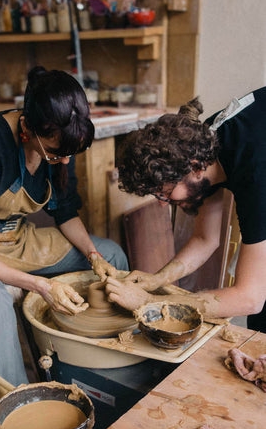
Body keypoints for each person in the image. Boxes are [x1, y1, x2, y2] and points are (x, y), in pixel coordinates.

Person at [0, 66, 129, 386]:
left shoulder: (61, 138)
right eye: (56, 154)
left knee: (111, 254)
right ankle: (16, 394)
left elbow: (64, 213)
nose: (64, 161)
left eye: (68, 154)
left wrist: (93, 256)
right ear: (27, 129)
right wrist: (42, 287)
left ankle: (112, 364)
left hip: (15, 239)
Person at [106, 88, 266, 330]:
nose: (162, 202)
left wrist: (152, 302)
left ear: (195, 168)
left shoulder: (255, 172)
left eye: (166, 192)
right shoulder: (207, 142)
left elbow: (250, 298)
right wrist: (158, 278)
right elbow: (205, 239)